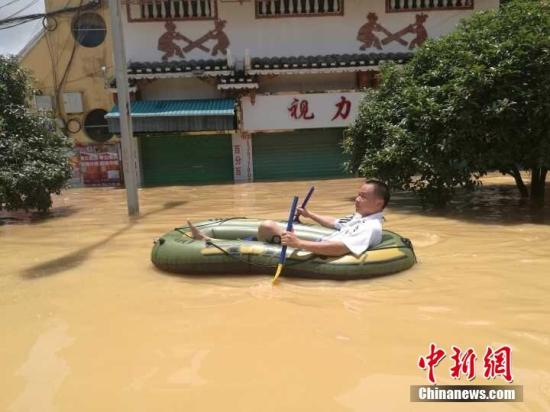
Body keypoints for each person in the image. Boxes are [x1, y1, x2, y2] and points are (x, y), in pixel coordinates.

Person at [188, 179, 390, 258]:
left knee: (267, 226)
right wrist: (309, 215)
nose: (357, 199)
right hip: (318, 243)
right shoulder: (360, 217)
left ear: (379, 203)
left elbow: (341, 248)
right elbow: (335, 222)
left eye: (363, 197)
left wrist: (299, 243)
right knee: (266, 229)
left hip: (318, 252)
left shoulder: (371, 227)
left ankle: (208, 242)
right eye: (358, 194)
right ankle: (212, 241)